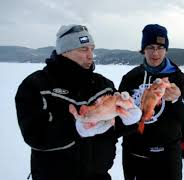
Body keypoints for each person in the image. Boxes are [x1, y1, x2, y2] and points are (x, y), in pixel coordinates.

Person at [15, 24, 141, 180]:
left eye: (92, 49)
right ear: (65, 52)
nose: (90, 55)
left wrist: (130, 120)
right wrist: (75, 128)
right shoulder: (37, 85)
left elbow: (110, 128)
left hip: (99, 176)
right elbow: (34, 135)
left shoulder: (103, 85)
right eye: (83, 49)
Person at [118, 24, 184, 180]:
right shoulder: (130, 78)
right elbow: (120, 119)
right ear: (143, 50)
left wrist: (176, 100)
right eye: (150, 47)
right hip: (135, 154)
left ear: (166, 50)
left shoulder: (179, 78)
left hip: (168, 156)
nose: (155, 53)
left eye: (160, 47)